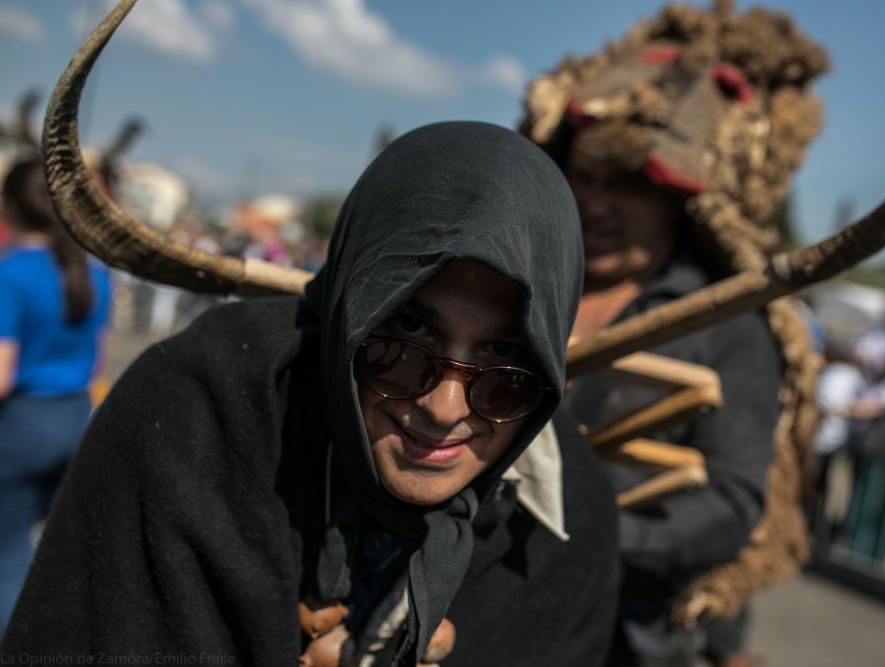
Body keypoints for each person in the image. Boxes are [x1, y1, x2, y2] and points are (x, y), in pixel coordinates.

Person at [2, 122, 619, 666]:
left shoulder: (563, 529)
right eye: (403, 337)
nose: (444, 408)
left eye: (506, 365)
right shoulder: (200, 413)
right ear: (350, 313)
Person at [520, 3, 828, 665]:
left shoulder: (728, 327)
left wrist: (582, 532)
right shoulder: (514, 287)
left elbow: (728, 503)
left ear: (678, 200)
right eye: (586, 177)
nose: (595, 204)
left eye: (628, 183)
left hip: (622, 625)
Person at [0, 157, 112, 632]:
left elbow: (2, 375)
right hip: (74, 419)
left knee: (6, 554)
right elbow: (97, 361)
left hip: (22, 427)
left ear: (9, 206)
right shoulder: (95, 272)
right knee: (52, 548)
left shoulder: (11, 273)